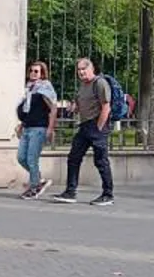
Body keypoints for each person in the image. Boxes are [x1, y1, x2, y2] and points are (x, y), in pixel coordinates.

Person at [49, 57, 114, 206]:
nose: (81, 72)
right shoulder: (82, 86)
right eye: (79, 69)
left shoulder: (100, 83)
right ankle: (70, 192)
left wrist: (99, 127)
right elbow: (79, 103)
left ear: (92, 69)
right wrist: (74, 107)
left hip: (97, 125)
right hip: (85, 126)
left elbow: (106, 107)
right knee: (73, 158)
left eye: (84, 68)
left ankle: (108, 194)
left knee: (101, 161)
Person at [15, 60, 57, 198]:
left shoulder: (44, 88)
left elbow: (53, 109)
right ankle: (38, 180)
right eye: (31, 70)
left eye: (36, 71)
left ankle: (34, 187)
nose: (33, 73)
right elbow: (28, 110)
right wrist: (21, 124)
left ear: (42, 73)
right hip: (27, 127)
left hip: (39, 128)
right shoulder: (30, 88)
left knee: (32, 159)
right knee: (21, 158)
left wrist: (50, 128)